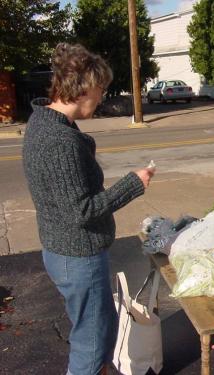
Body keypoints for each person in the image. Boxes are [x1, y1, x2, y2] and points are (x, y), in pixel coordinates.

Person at [22, 43, 155, 375]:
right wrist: (133, 183)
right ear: (83, 89)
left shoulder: (44, 121)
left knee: (97, 326)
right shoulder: (59, 141)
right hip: (76, 256)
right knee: (91, 343)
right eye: (102, 89)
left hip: (64, 251)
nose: (103, 97)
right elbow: (81, 210)